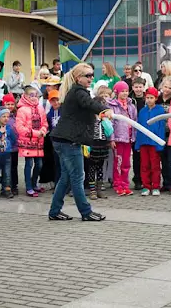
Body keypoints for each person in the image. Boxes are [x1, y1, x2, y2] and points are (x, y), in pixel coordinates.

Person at [48, 63, 111, 222]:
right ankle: (86, 212)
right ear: (78, 78)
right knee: (77, 177)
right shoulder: (78, 91)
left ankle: (55, 211)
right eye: (87, 76)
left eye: (91, 75)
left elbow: (85, 109)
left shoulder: (76, 92)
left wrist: (99, 114)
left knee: (67, 177)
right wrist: (104, 110)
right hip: (69, 141)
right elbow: (89, 104)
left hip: (63, 139)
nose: (90, 78)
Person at [15, 85, 48, 198]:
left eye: (36, 95)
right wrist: (35, 133)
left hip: (39, 142)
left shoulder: (40, 108)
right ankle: (29, 187)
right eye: (31, 95)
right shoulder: (22, 110)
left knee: (39, 164)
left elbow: (45, 123)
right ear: (25, 96)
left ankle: (34, 183)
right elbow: (20, 127)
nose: (34, 98)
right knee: (29, 164)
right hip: (27, 142)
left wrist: (43, 131)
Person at [107, 80, 137, 196]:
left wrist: (133, 136)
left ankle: (125, 184)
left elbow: (134, 122)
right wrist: (112, 138)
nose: (125, 93)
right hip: (118, 139)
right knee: (118, 162)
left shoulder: (131, 106)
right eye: (122, 91)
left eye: (126, 91)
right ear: (117, 92)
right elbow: (110, 124)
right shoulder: (112, 106)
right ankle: (117, 184)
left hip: (128, 139)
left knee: (126, 163)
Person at [135, 87, 165, 196]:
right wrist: (138, 143)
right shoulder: (142, 111)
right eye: (147, 98)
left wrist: (160, 143)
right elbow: (139, 127)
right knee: (144, 165)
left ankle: (156, 186)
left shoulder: (160, 110)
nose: (149, 100)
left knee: (155, 165)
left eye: (151, 98)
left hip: (154, 143)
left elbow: (161, 127)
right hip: (143, 142)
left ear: (156, 98)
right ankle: (146, 186)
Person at [89, 85, 113, 199]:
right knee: (91, 168)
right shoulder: (89, 119)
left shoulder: (105, 119)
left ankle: (99, 189)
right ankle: (92, 190)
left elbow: (109, 132)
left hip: (102, 146)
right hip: (92, 146)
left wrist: (105, 120)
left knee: (100, 168)